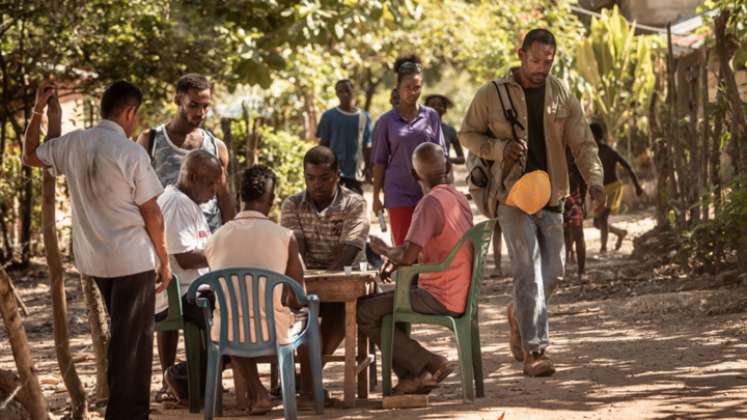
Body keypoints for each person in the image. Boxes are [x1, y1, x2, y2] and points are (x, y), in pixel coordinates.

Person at [459, 29, 605, 377]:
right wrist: (498, 149)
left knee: (554, 272)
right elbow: (467, 133)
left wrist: (595, 181)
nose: (542, 67)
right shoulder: (491, 94)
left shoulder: (562, 94)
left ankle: (517, 314)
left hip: (552, 194)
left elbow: (583, 144)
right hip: (511, 196)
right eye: (536, 60)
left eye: (548, 61)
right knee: (527, 270)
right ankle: (534, 350)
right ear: (521, 53)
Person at [22, 80, 169, 420]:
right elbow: (152, 212)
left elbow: (29, 155)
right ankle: (126, 414)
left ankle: (121, 410)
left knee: (123, 340)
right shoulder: (130, 151)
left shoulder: (75, 142)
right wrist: (164, 260)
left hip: (95, 260)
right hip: (132, 259)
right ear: (130, 113)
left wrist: (38, 109)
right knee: (133, 345)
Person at [360, 142, 470, 394]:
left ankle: (430, 363)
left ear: (413, 174)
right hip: (459, 289)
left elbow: (408, 255)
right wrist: (395, 258)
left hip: (440, 295)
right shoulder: (458, 198)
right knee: (387, 306)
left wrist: (384, 250)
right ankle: (415, 375)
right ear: (448, 168)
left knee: (365, 312)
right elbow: (426, 248)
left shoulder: (430, 203)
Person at [204, 165, 306, 414]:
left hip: (227, 332)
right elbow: (297, 296)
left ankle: (258, 392)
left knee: (233, 316)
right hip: (273, 330)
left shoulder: (215, 238)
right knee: (302, 312)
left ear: (239, 198)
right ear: (271, 201)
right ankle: (306, 390)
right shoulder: (284, 236)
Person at [280, 146, 370, 365]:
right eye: (310, 178)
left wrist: (323, 284)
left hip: (344, 278)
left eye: (324, 178)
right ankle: (309, 376)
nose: (316, 184)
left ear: (337, 176)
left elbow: (348, 252)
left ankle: (311, 372)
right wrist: (310, 285)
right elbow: (296, 251)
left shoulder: (354, 203)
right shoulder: (292, 204)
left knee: (339, 303)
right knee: (299, 306)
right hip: (307, 279)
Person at [154, 150, 222, 403]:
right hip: (183, 294)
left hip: (188, 290)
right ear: (192, 177)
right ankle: (182, 376)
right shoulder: (177, 204)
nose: (215, 189)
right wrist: (224, 254)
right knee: (239, 312)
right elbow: (183, 257)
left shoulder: (185, 201)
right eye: (211, 182)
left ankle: (193, 379)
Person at [137, 73, 235, 232]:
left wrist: (230, 236)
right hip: (168, 239)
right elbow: (139, 194)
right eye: (194, 105)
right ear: (178, 100)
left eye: (205, 106)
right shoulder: (151, 140)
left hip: (209, 240)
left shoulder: (217, 147)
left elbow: (224, 196)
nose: (201, 112)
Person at [371, 53, 447, 245]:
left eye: (417, 87)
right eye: (408, 87)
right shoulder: (386, 121)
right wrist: (375, 197)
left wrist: (445, 190)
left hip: (429, 193)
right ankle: (405, 277)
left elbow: (441, 156)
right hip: (398, 193)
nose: (413, 92)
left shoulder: (431, 116)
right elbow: (379, 162)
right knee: (404, 248)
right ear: (397, 87)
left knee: (429, 248)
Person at [590, 121, 644, 253]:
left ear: (595, 136)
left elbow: (628, 167)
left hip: (613, 188)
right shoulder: (591, 153)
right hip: (601, 190)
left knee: (603, 218)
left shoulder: (609, 152)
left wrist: (637, 186)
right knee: (596, 223)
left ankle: (603, 248)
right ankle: (620, 233)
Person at [316, 79, 373, 195]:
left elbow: (367, 145)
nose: (344, 94)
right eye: (340, 91)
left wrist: (368, 168)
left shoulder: (364, 117)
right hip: (333, 171)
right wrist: (320, 168)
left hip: (355, 173)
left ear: (354, 91)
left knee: (355, 207)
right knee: (334, 208)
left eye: (347, 90)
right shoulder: (328, 116)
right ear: (336, 94)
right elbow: (323, 144)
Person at [564, 149, 587, 279]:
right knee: (564, 236)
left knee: (579, 234)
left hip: (574, 200)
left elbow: (583, 186)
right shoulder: (553, 160)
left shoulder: (577, 167)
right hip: (558, 200)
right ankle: (564, 269)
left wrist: (582, 204)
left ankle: (581, 270)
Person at [423, 94, 465, 165]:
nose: (436, 107)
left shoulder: (450, 130)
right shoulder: (418, 129)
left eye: (439, 105)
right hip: (422, 172)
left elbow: (462, 159)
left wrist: (447, 159)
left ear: (445, 110)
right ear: (425, 109)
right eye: (432, 105)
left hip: (445, 173)